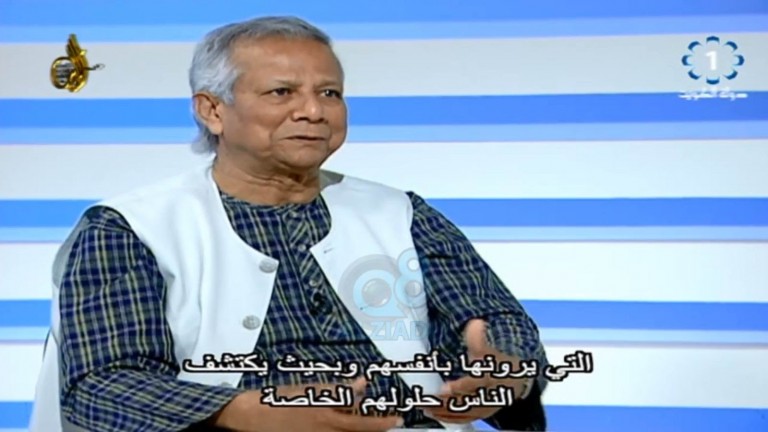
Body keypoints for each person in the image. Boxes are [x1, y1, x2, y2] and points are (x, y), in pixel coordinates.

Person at [29, 16, 549, 432]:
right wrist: (247, 412)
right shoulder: (129, 228)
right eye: (282, 93)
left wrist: (503, 369)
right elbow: (105, 386)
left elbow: (493, 320)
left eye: (330, 93)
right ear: (212, 110)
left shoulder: (400, 213)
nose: (314, 112)